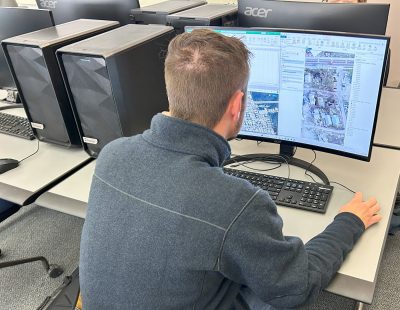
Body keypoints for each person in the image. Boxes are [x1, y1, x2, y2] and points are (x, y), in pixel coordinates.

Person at [79, 29, 381, 309]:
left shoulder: (113, 153)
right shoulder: (236, 203)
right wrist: (349, 221)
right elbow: (295, 286)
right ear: (237, 105)